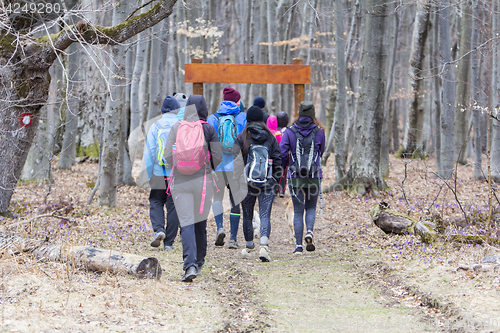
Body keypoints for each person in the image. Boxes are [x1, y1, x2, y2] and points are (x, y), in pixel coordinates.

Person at [165, 95, 222, 282]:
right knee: (200, 222)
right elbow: (218, 157)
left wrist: (179, 167)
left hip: (180, 181)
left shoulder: (177, 127)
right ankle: (199, 261)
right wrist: (207, 167)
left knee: (186, 222)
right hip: (203, 182)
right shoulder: (209, 128)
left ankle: (188, 266)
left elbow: (166, 155)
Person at [233, 106, 282, 262]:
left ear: (247, 119)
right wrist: (275, 179)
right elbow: (279, 159)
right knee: (265, 214)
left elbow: (236, 162)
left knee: (247, 215)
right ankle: (263, 246)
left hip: (246, 184)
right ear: (263, 119)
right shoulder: (270, 138)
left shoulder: (242, 138)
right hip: (267, 183)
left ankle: (248, 247)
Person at [280, 101, 325, 254]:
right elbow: (321, 151)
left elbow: (282, 152)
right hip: (313, 176)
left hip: (295, 177)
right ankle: (310, 232)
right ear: (313, 114)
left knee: (298, 211)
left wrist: (286, 166)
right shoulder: (319, 132)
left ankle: (298, 247)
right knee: (311, 207)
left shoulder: (289, 131)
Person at [207, 87, 247, 248]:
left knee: (217, 198)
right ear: (237, 101)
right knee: (235, 201)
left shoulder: (213, 118)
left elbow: (209, 144)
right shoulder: (242, 117)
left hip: (217, 166)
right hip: (236, 166)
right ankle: (233, 239)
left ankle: (219, 228)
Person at [144, 96, 181, 251]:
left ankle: (159, 229)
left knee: (156, 201)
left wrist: (149, 173)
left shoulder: (155, 126)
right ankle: (169, 243)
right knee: (174, 206)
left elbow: (149, 152)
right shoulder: (181, 125)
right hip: (177, 172)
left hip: (159, 171)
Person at [276, 111, 289, 197]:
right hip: (285, 154)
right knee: (284, 172)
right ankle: (281, 190)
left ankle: (277, 189)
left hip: (276, 154)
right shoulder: (287, 131)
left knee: (276, 171)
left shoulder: (275, 131)